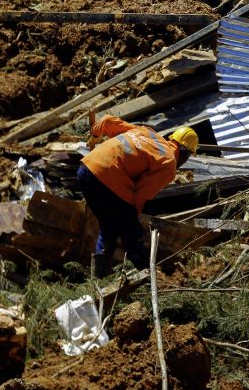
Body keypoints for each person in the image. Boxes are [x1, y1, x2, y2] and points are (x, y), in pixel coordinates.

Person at [76, 115, 198, 277]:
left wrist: (95, 135)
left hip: (86, 170)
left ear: (172, 139)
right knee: (131, 233)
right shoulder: (168, 163)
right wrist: (133, 218)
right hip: (108, 181)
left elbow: (107, 121)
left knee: (110, 226)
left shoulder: (146, 132)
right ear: (184, 154)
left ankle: (98, 278)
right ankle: (148, 276)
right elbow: (139, 195)